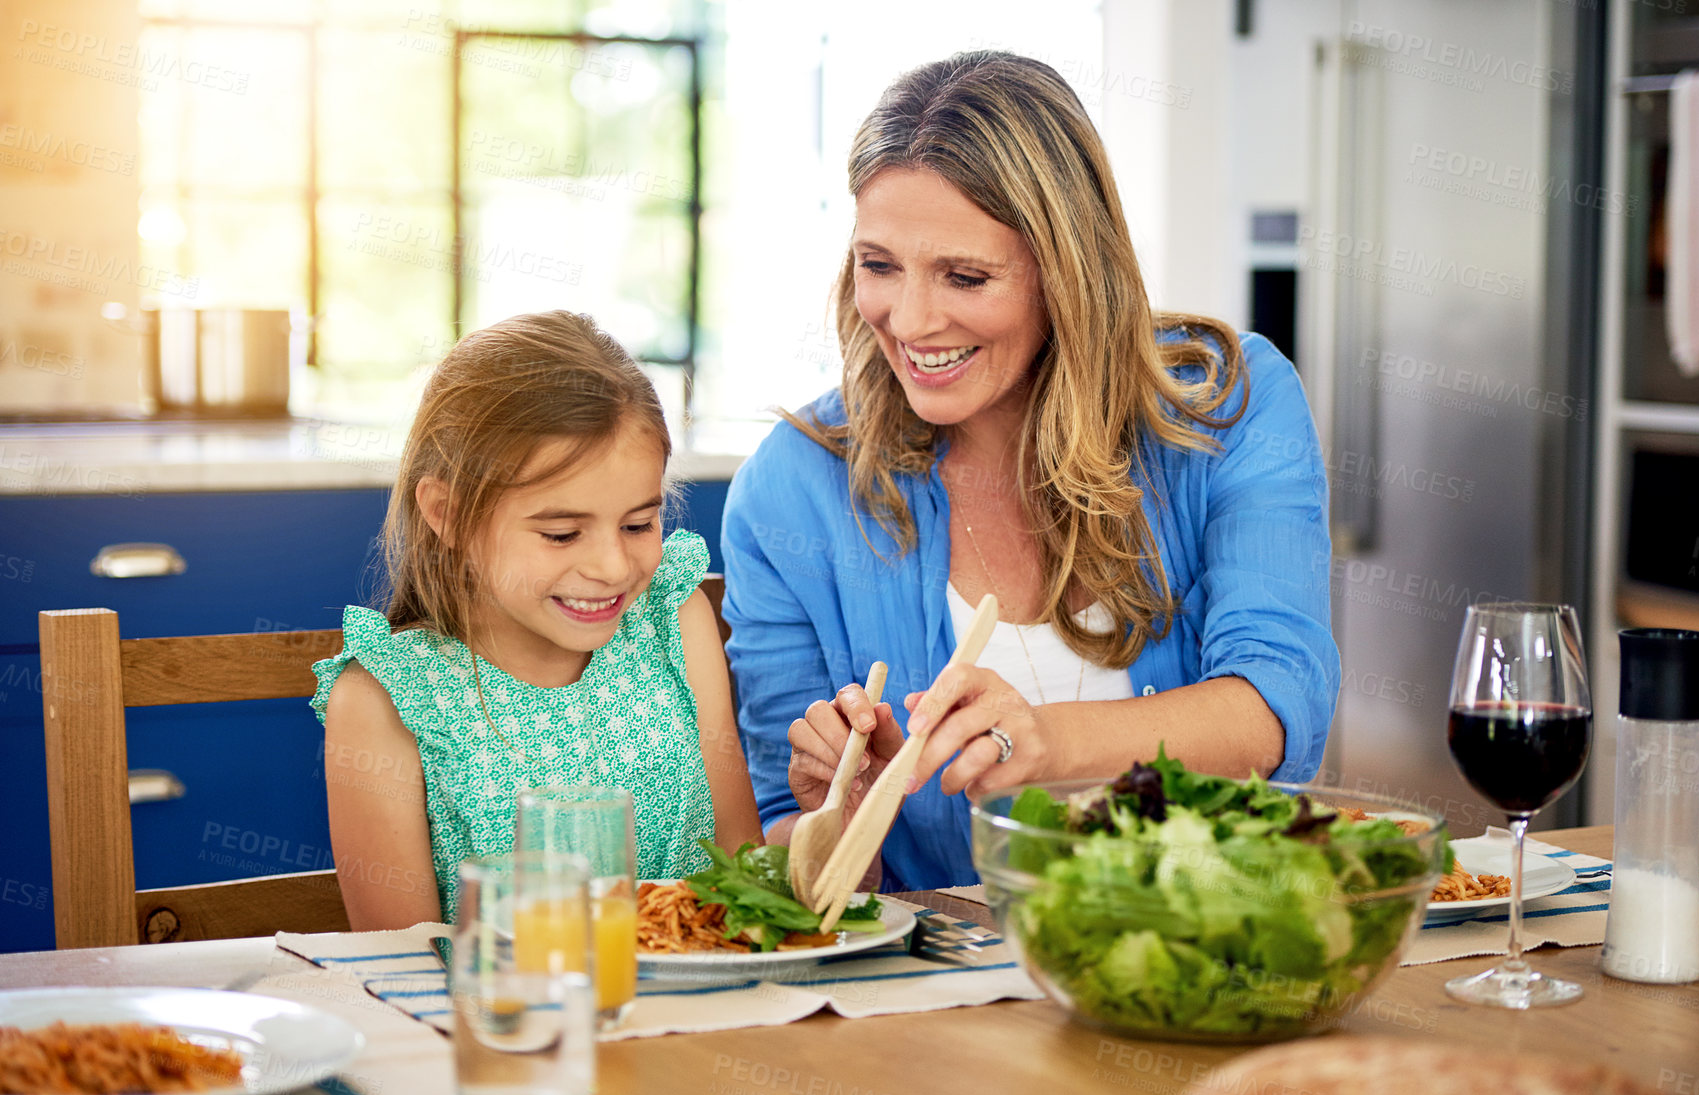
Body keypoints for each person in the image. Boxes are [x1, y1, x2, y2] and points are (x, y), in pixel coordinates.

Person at [720, 51, 1339, 892]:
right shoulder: (791, 488)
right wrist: (838, 811)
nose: (908, 319)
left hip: (1200, 942)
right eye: (879, 265)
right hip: (942, 997)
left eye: (965, 276)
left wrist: (1041, 740)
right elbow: (790, 859)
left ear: (1067, 270)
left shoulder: (1226, 403)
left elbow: (1275, 702)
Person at [313, 310, 762, 929]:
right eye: (561, 533)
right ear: (446, 512)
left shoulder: (675, 621)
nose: (611, 566)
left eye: (638, 525)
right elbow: (400, 971)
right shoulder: (386, 700)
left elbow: (740, 877)